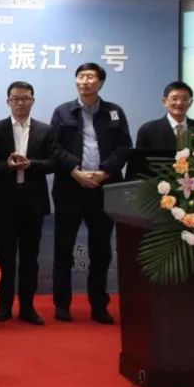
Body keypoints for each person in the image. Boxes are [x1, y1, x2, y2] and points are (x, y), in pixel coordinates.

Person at [50, 62, 132, 324]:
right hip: (70, 187)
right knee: (63, 248)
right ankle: (62, 305)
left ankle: (99, 305)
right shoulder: (62, 111)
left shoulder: (114, 112)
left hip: (103, 187)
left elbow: (124, 147)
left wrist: (105, 172)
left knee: (101, 250)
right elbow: (54, 147)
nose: (85, 81)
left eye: (90, 77)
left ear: (101, 83)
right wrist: (75, 171)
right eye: (81, 76)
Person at [0, 81, 60, 325]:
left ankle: (27, 307)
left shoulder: (45, 130)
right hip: (5, 201)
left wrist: (31, 164)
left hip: (33, 201)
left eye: (25, 98)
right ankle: (4, 306)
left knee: (30, 257)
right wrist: (6, 165)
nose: (20, 103)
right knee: (5, 257)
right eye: (15, 98)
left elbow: (53, 162)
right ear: (8, 101)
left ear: (32, 101)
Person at [135, 81, 194, 150]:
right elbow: (139, 161)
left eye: (185, 99)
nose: (179, 103)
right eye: (174, 99)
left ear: (190, 103)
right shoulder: (148, 130)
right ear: (164, 101)